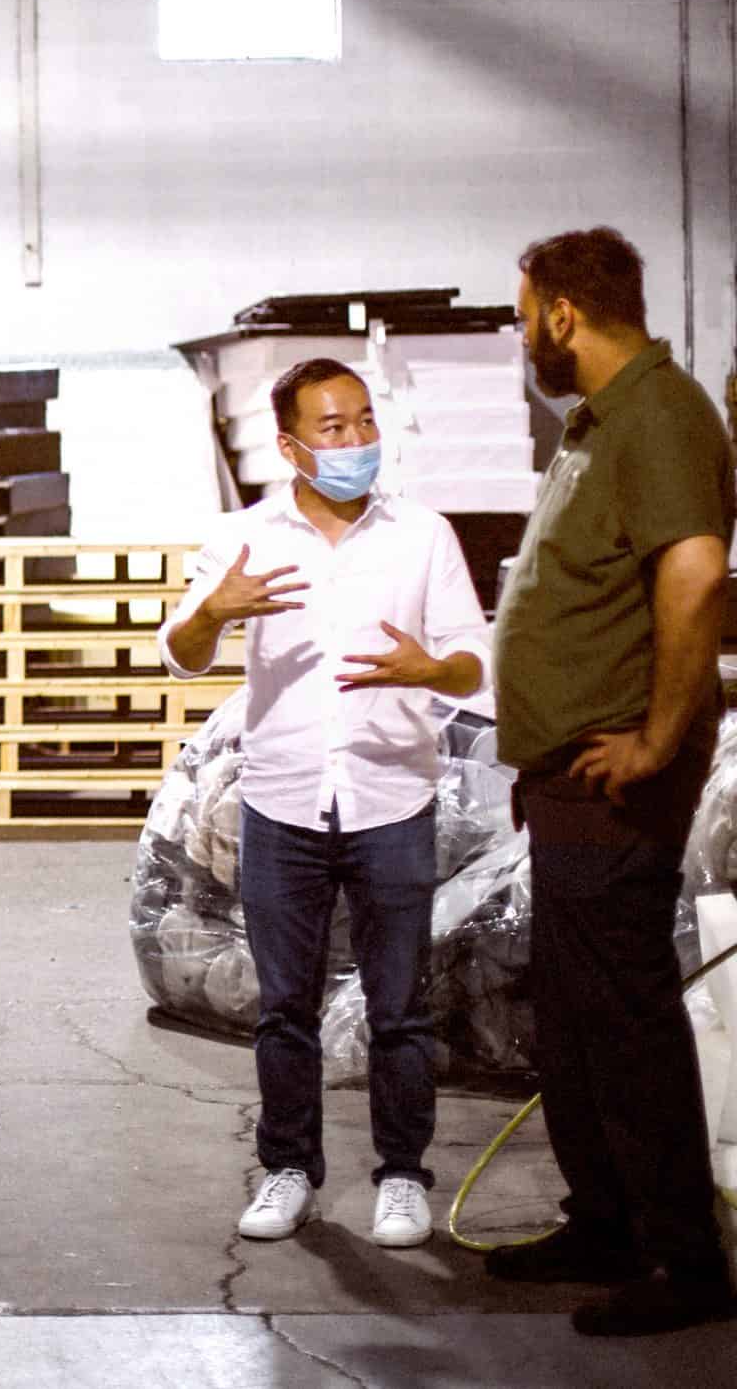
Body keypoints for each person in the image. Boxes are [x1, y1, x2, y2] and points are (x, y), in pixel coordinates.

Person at [162, 357, 491, 1250]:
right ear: (290, 445)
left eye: (364, 422)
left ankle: (402, 1176)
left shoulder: (422, 535)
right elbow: (180, 653)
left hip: (392, 799)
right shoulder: (244, 535)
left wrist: (432, 670)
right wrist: (214, 612)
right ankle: (289, 1168)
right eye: (333, 429)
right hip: (283, 804)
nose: (354, 442)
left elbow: (474, 659)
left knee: (400, 1007)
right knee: (284, 1006)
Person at [485, 227, 737, 1337]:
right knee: (575, 1017)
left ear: (562, 314)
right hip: (564, 774)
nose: (520, 332)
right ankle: (607, 1223)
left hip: (613, 778)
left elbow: (694, 579)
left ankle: (686, 1263)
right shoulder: (594, 423)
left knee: (624, 1018)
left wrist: (652, 737)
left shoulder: (661, 416)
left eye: (521, 311)